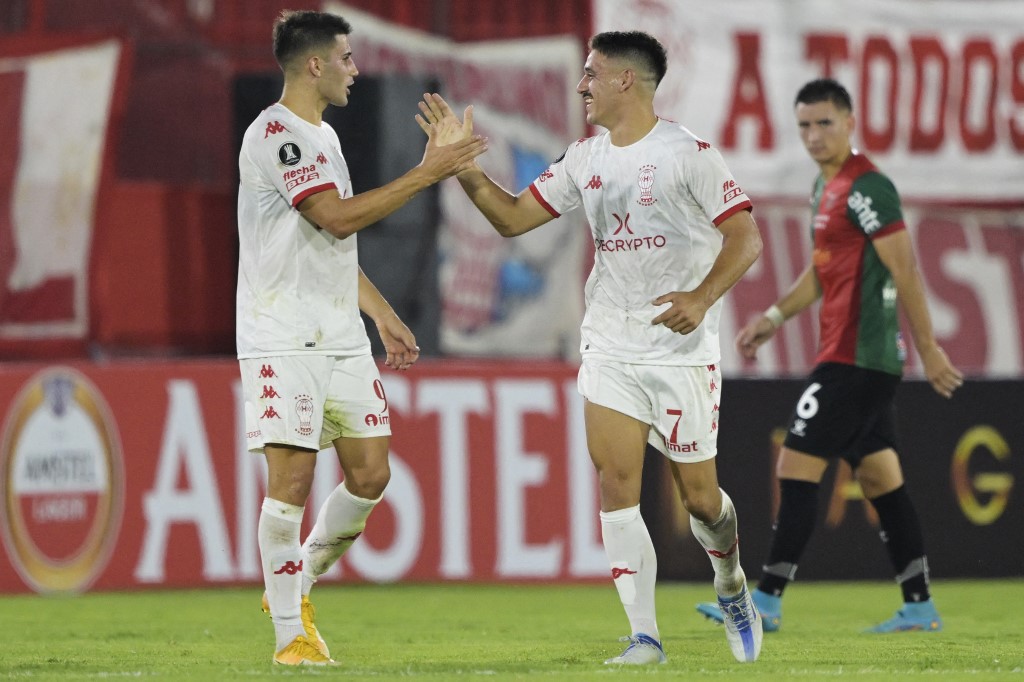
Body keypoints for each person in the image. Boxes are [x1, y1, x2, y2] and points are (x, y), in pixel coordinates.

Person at [416, 31, 764, 665]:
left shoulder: (690, 155)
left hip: (681, 350)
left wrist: (701, 297)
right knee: (615, 481)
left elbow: (745, 239)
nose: (582, 85)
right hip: (610, 342)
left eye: (591, 74)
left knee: (700, 501)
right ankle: (644, 637)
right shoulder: (584, 158)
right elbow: (515, 218)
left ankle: (732, 580)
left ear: (625, 80)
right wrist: (462, 169)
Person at [236, 10, 486, 666]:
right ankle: (291, 636)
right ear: (315, 64)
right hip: (283, 334)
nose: (355, 68)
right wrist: (429, 172)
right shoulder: (276, 135)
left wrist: (378, 312)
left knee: (371, 473)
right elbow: (337, 217)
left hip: (340, 333)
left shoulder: (327, 138)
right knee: (291, 481)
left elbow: (329, 247)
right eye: (346, 57)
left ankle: (296, 579)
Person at [696, 78, 964, 634]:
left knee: (794, 465)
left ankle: (766, 598)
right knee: (882, 480)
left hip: (856, 358)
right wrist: (774, 317)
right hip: (854, 356)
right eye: (805, 126)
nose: (814, 136)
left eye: (824, 123)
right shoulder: (827, 190)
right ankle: (919, 604)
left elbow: (906, 267)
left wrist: (930, 348)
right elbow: (824, 271)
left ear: (850, 122)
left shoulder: (867, 187)